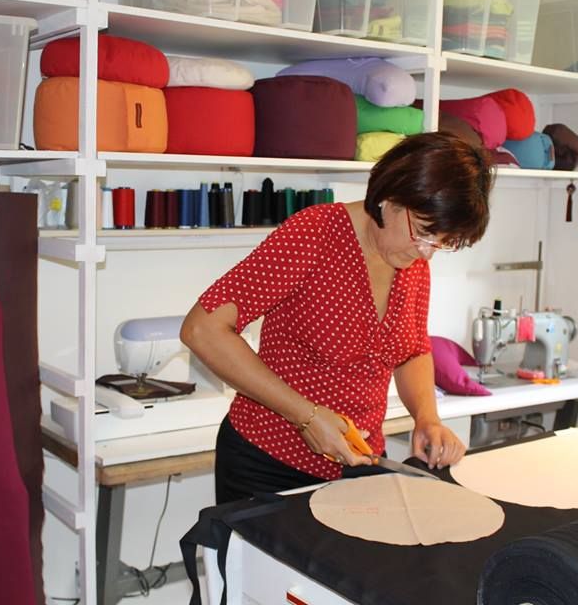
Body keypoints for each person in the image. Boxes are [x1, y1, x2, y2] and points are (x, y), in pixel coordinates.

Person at [180, 132, 494, 504]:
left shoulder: (410, 260)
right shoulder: (315, 235)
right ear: (392, 197)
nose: (427, 253)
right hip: (267, 466)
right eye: (425, 233)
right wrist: (307, 417)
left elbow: (411, 349)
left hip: (357, 466)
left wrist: (427, 418)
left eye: (442, 242)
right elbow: (202, 329)